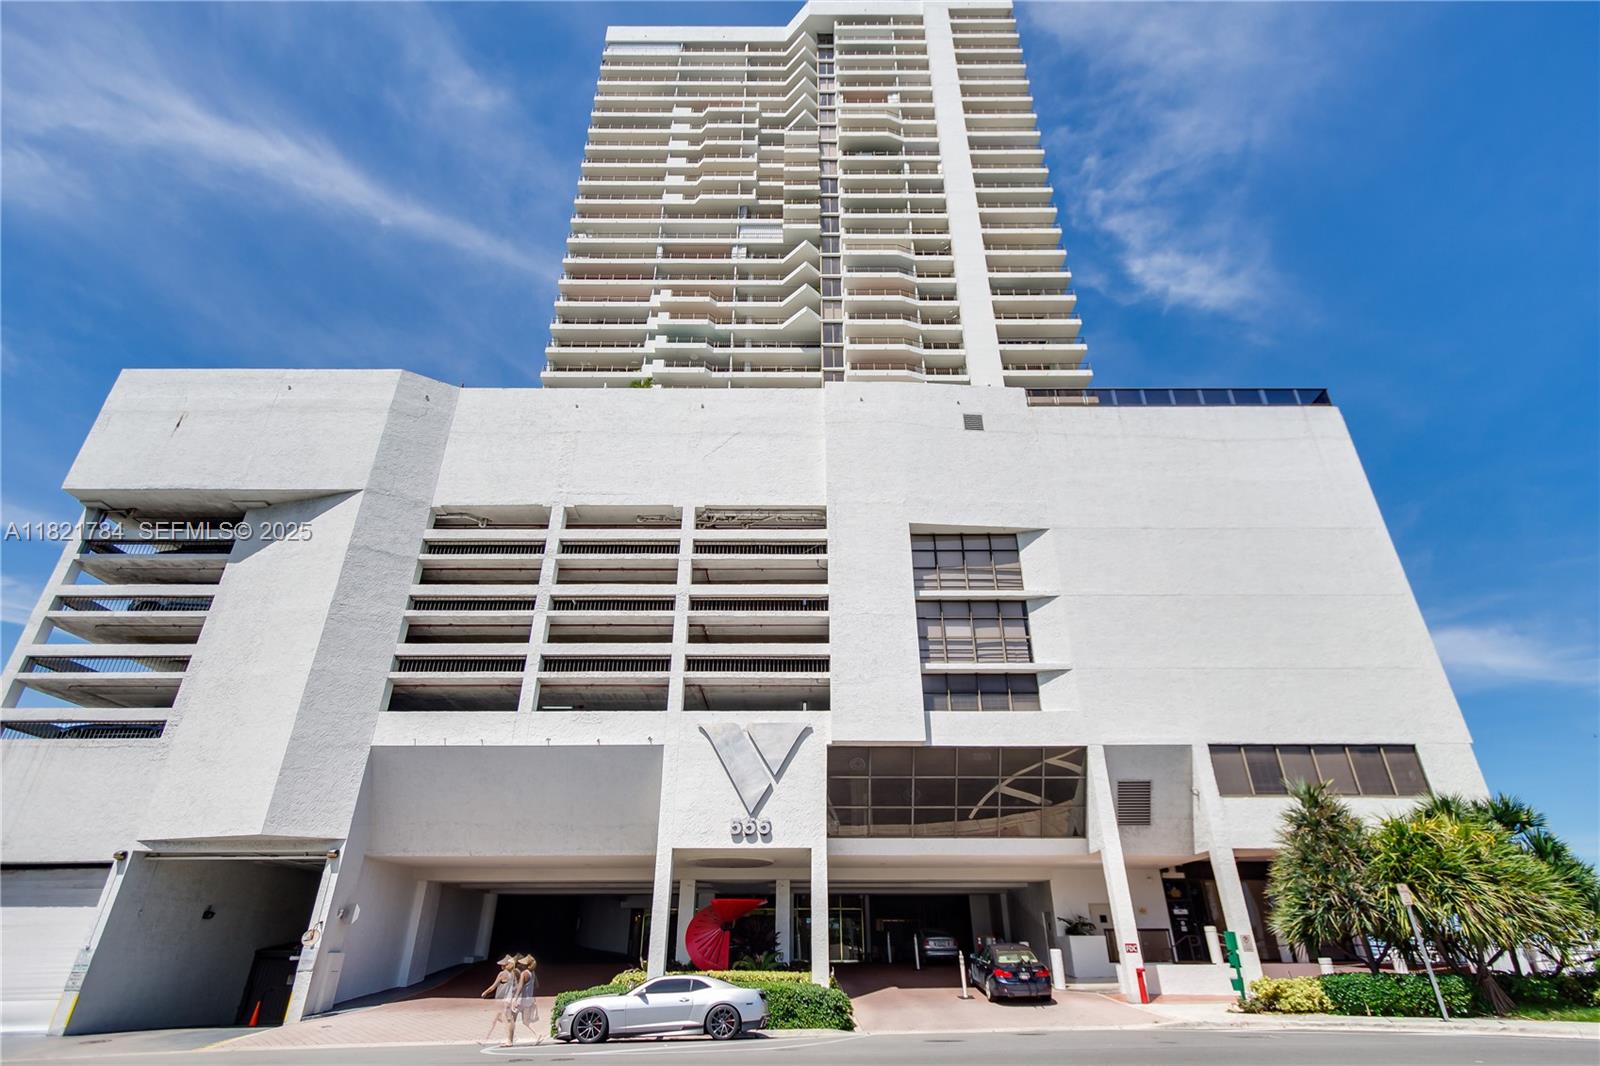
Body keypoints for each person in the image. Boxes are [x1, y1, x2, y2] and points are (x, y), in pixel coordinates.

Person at [480, 955, 520, 1046]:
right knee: (508, 1019)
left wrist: (484, 993)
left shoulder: (502, 974)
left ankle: (509, 1041)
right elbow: (516, 987)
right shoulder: (513, 973)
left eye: (502, 964)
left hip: (505, 1000)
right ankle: (510, 1039)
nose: (501, 966)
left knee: (509, 1020)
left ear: (505, 965)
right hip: (510, 999)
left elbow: (493, 987)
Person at [516, 954, 540, 1043]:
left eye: (521, 964)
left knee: (510, 1017)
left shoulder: (524, 973)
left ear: (525, 965)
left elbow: (520, 987)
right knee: (525, 1021)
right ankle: (537, 1034)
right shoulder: (532, 973)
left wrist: (515, 999)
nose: (519, 965)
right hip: (530, 999)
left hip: (523, 1000)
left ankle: (511, 1037)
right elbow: (536, 985)